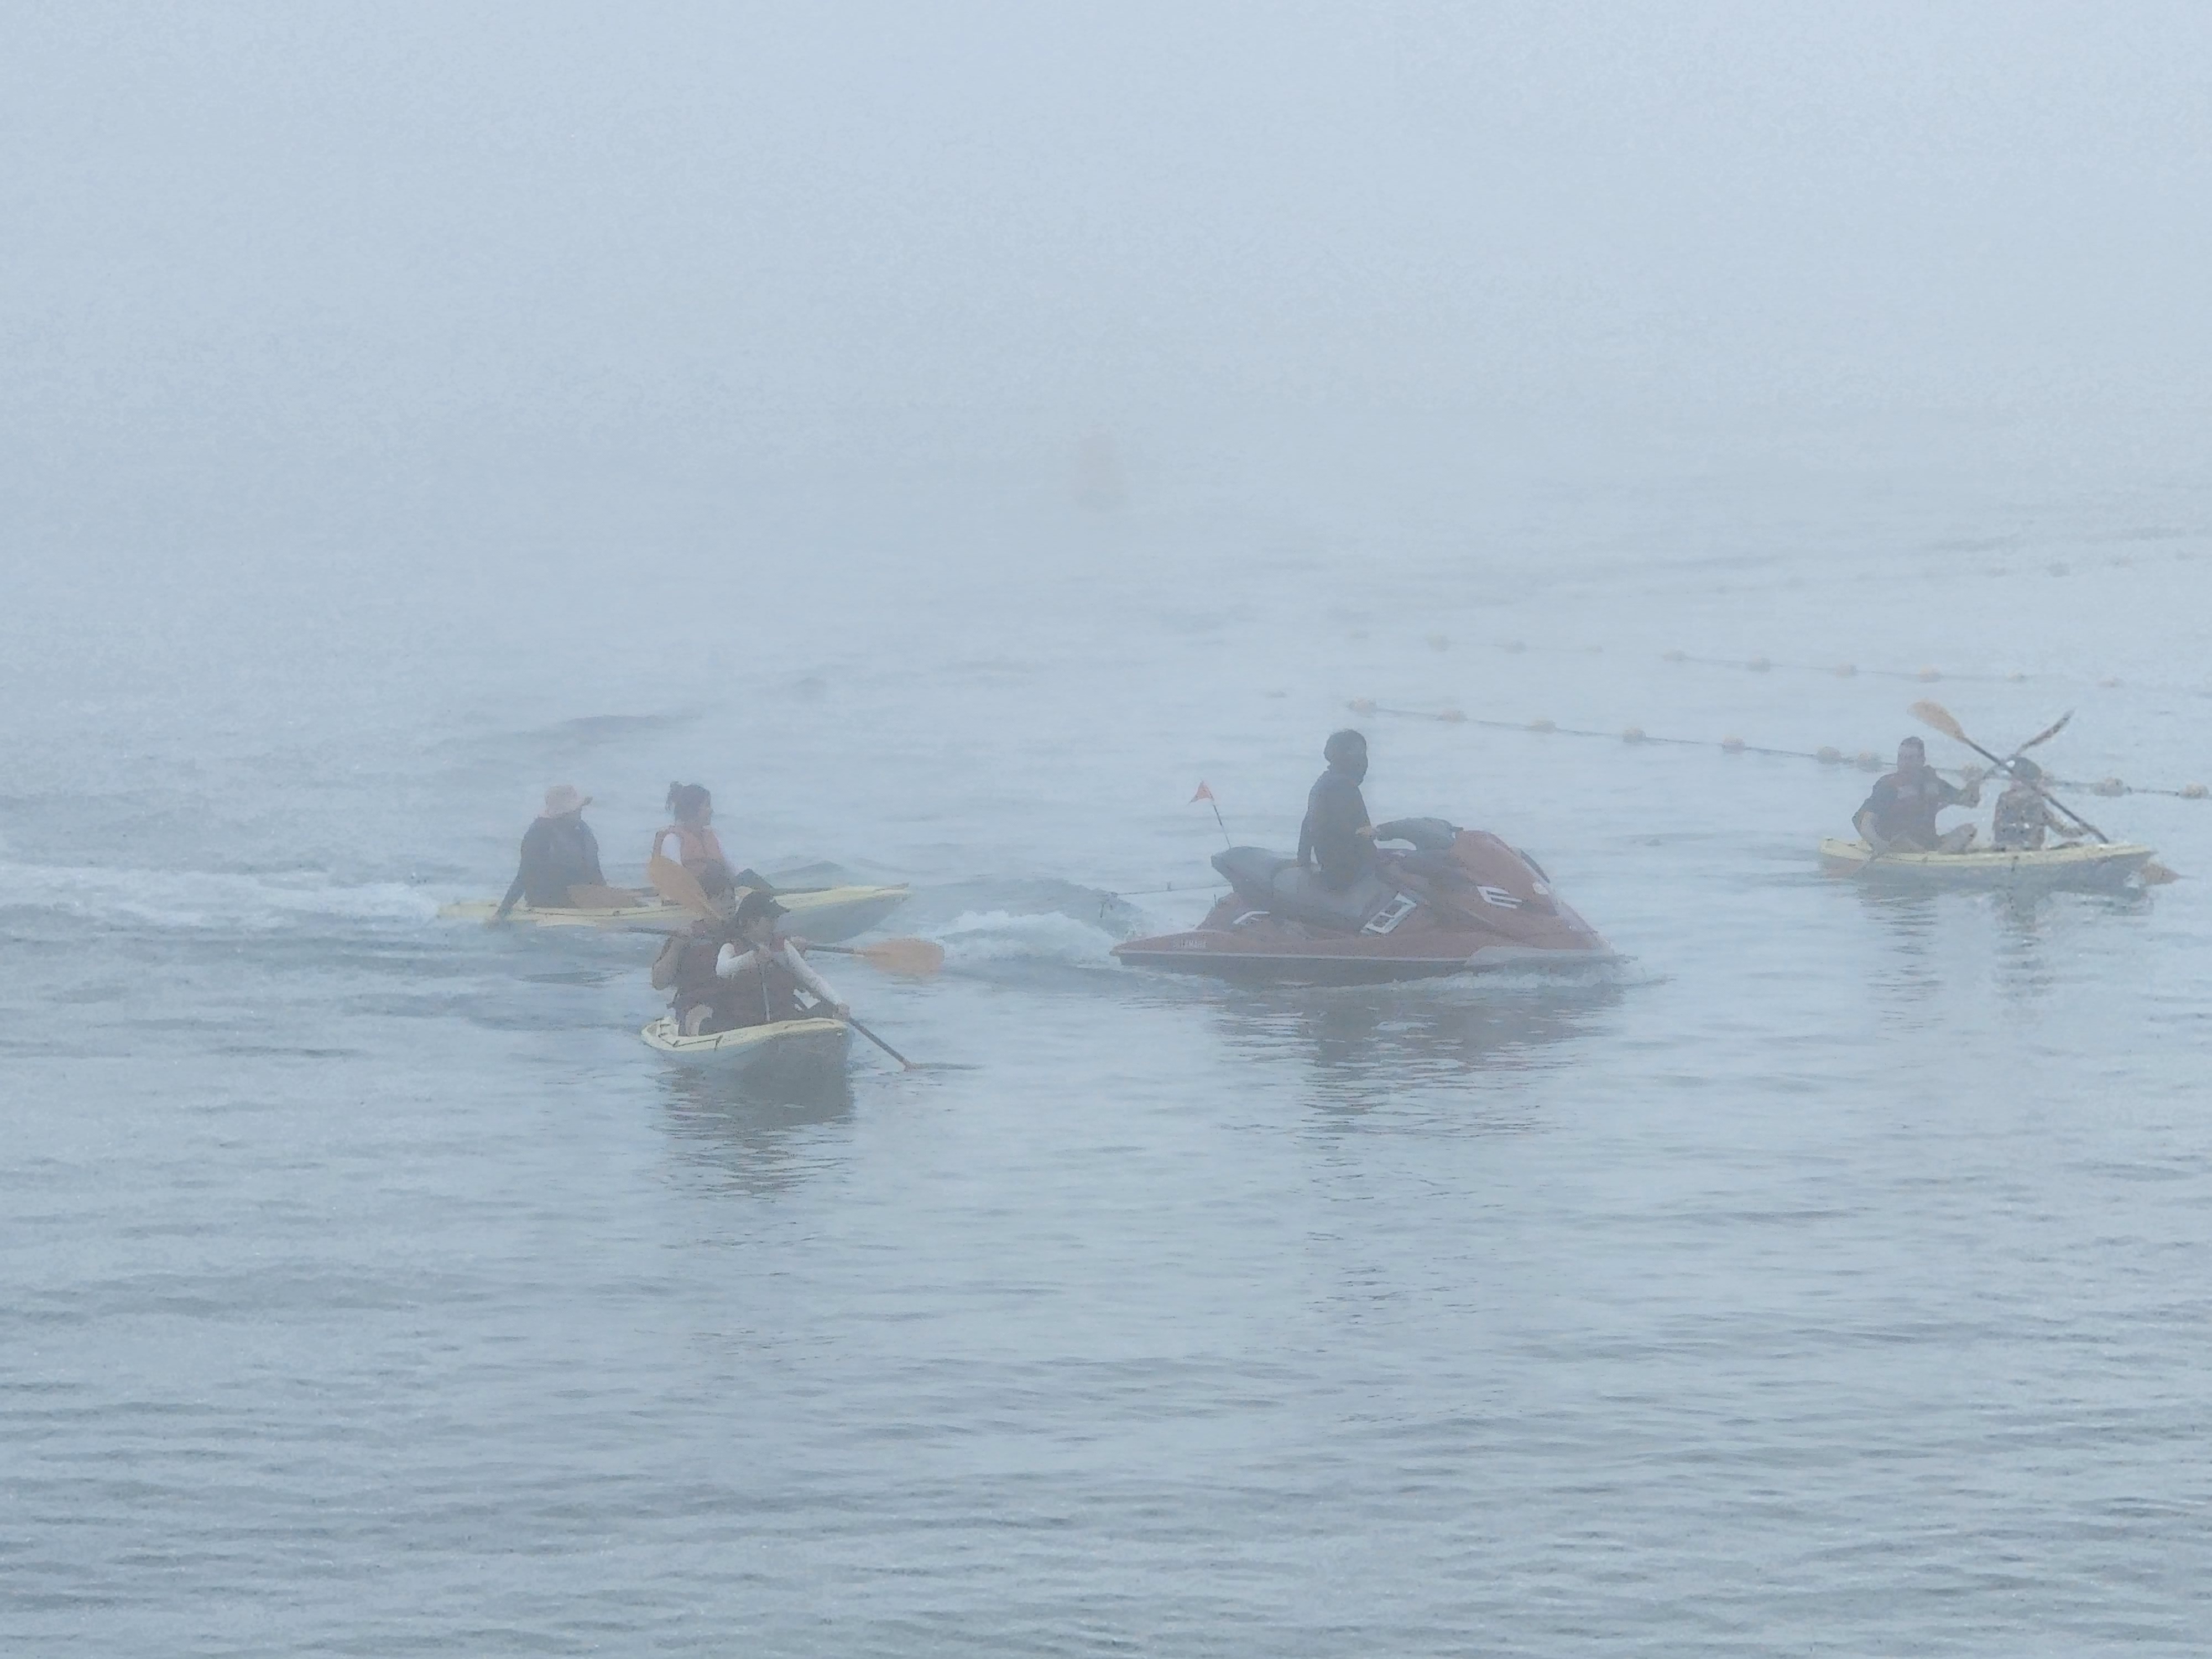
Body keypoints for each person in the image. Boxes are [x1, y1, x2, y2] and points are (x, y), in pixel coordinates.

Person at [652, 888, 848, 1036]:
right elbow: (722, 970)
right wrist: (749, 960)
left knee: (830, 1010)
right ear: (752, 923)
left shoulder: (783, 946)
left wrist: (838, 1002)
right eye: (769, 919)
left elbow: (811, 979)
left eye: (775, 918)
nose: (774, 924)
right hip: (743, 1022)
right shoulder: (731, 947)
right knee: (710, 1026)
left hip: (783, 1017)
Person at [1853, 738, 1982, 853]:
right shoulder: (1889, 786)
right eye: (1901, 758)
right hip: (1897, 844)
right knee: (1907, 843)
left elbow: (1971, 802)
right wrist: (1880, 845)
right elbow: (1866, 823)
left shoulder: (1933, 783)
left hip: (1929, 843)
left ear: (1922, 761)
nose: (1904, 763)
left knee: (1968, 831)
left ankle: (1939, 858)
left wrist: (1974, 782)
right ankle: (1933, 860)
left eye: (1910, 758)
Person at [493, 785, 606, 918]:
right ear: (563, 813)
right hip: (547, 899)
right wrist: (502, 912)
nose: (580, 812)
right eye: (576, 809)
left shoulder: (582, 830)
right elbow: (525, 874)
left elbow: (595, 870)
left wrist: (606, 896)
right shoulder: (539, 833)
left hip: (583, 896)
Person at [650, 783, 770, 893]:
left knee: (748, 875)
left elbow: (732, 870)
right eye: (707, 806)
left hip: (720, 889)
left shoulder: (710, 836)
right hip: (698, 894)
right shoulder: (672, 840)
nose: (712, 811)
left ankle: (774, 896)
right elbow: (678, 880)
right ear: (693, 810)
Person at [1298, 728, 1376, 890]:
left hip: (1332, 867)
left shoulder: (1325, 782)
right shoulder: (1343, 788)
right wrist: (1378, 862)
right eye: (1359, 754)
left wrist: (1303, 862)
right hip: (1346, 873)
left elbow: (1308, 825)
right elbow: (1353, 836)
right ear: (1343, 758)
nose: (1365, 761)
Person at [1991, 758, 2073, 851]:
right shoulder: (2008, 800)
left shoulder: (2035, 802)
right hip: (2016, 851)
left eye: (2016, 779)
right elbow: (2060, 830)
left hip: (2021, 852)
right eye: (2014, 778)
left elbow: (2060, 829)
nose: (2013, 782)